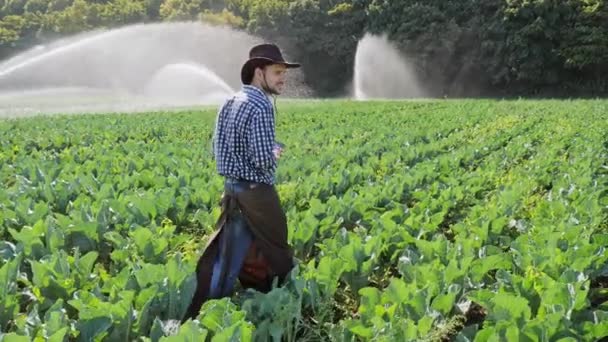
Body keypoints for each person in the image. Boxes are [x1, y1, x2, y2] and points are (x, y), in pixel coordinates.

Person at [182, 43, 300, 322]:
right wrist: (274, 151)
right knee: (272, 249)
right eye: (277, 72)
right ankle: (209, 317)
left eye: (284, 72)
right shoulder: (260, 106)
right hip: (256, 194)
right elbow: (261, 159)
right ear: (259, 72)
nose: (283, 78)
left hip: (233, 189)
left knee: (236, 253)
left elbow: (217, 149)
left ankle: (220, 311)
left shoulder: (229, 101)